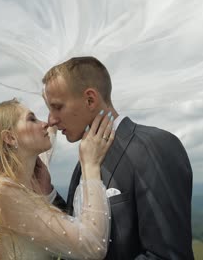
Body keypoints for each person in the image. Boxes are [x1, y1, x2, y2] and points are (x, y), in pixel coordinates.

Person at [41, 56, 194, 260]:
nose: (51, 120)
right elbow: (82, 231)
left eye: (57, 107)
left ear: (90, 100)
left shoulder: (153, 145)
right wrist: (48, 192)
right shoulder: (87, 159)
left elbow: (168, 255)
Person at [0, 98, 116, 260]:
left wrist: (57, 104)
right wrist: (90, 165)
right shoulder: (2, 192)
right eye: (31, 119)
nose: (44, 124)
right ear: (10, 138)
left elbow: (50, 133)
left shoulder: (25, 179)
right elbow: (92, 246)